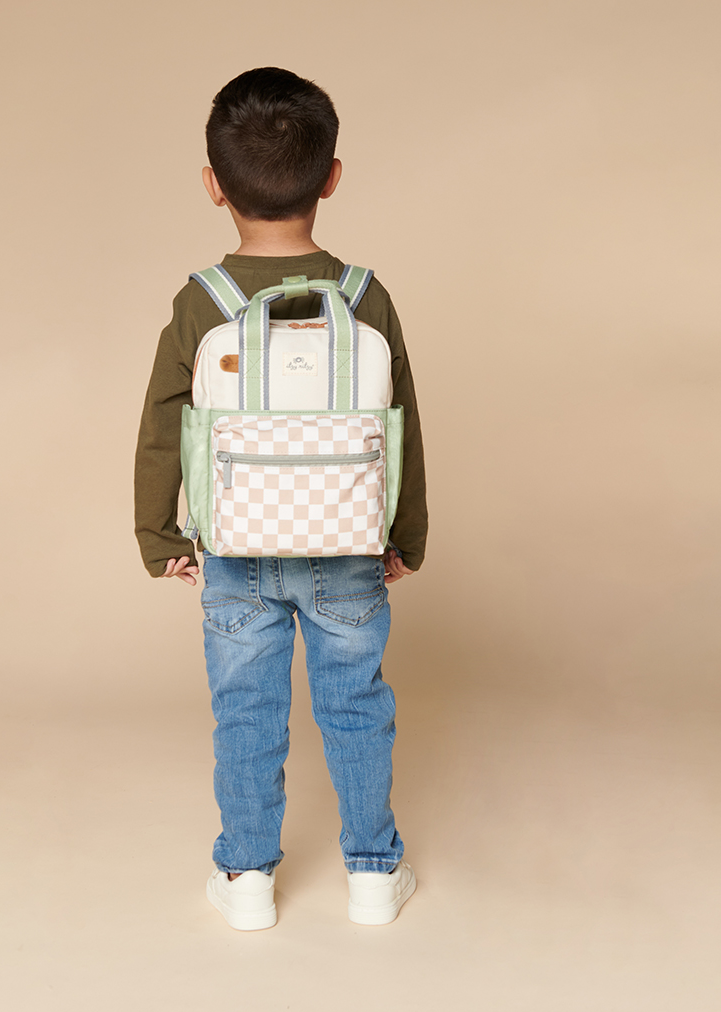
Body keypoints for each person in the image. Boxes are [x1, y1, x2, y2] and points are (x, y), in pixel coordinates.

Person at [134, 67, 427, 930]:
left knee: (247, 711)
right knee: (356, 706)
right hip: (346, 547)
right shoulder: (366, 297)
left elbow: (161, 425)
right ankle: (373, 874)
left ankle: (248, 879)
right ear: (332, 176)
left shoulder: (203, 304)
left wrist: (160, 536)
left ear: (211, 186)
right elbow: (403, 424)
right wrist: (401, 534)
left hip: (236, 548)